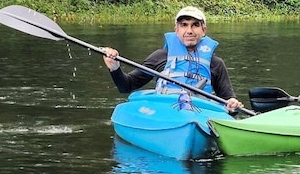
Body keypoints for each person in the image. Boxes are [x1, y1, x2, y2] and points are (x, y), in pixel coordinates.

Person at [102, 6, 244, 113]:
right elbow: (126, 86)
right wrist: (115, 67)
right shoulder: (160, 57)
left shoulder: (216, 64)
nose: (189, 30)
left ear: (203, 30)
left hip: (199, 113)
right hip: (165, 111)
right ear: (176, 30)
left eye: (195, 25)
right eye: (184, 25)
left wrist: (232, 103)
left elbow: (228, 100)